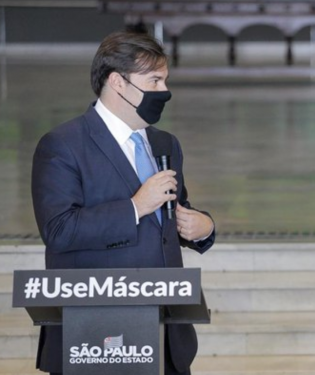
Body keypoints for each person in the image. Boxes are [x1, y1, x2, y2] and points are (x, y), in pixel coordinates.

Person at [31, 31, 215, 375]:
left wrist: (201, 227)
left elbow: (173, 215)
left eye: (165, 80)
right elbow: (58, 230)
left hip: (165, 336)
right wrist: (134, 206)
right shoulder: (63, 144)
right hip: (93, 337)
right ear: (117, 82)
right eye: (154, 80)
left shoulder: (165, 144)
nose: (164, 91)